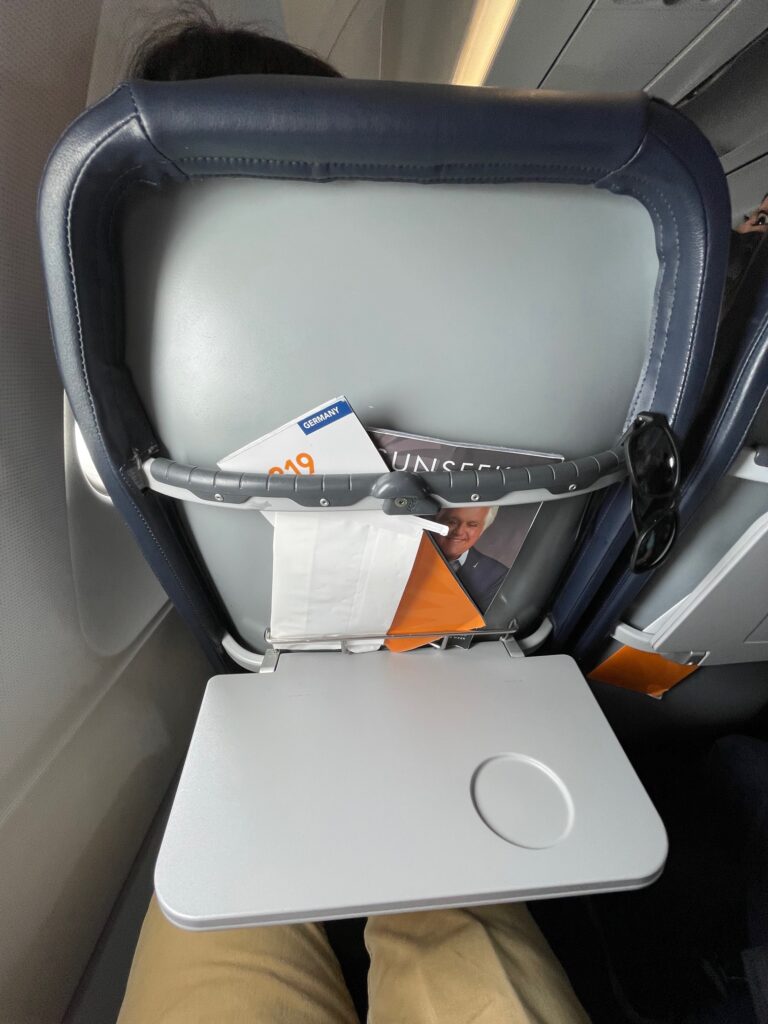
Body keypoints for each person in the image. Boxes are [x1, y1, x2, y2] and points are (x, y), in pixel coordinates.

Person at [117, 8, 591, 1023]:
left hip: (273, 657)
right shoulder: (517, 269)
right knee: (451, 908)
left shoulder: (132, 272)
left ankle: (285, 789)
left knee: (221, 887)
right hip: (450, 648)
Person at [435, 505, 508, 612]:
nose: (459, 532)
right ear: (436, 521)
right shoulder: (406, 548)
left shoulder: (497, 576)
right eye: (452, 522)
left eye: (472, 525)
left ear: (482, 530)